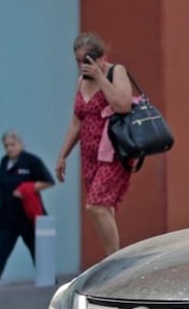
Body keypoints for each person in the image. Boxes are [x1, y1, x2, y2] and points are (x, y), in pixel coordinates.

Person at [55, 32, 134, 262]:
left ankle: (114, 260)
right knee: (104, 208)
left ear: (101, 57)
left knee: (96, 205)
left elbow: (123, 105)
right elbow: (76, 122)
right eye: (78, 61)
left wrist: (100, 77)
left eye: (87, 60)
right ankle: (113, 258)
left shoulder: (114, 72)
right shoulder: (81, 81)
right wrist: (62, 155)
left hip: (113, 153)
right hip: (89, 156)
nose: (82, 65)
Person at [0, 130, 55, 292]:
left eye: (12, 144)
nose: (9, 148)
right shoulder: (4, 162)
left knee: (37, 250)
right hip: (7, 217)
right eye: (6, 145)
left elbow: (48, 181)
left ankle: (49, 281)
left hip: (27, 217)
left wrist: (27, 188)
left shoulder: (31, 161)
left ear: (21, 144)